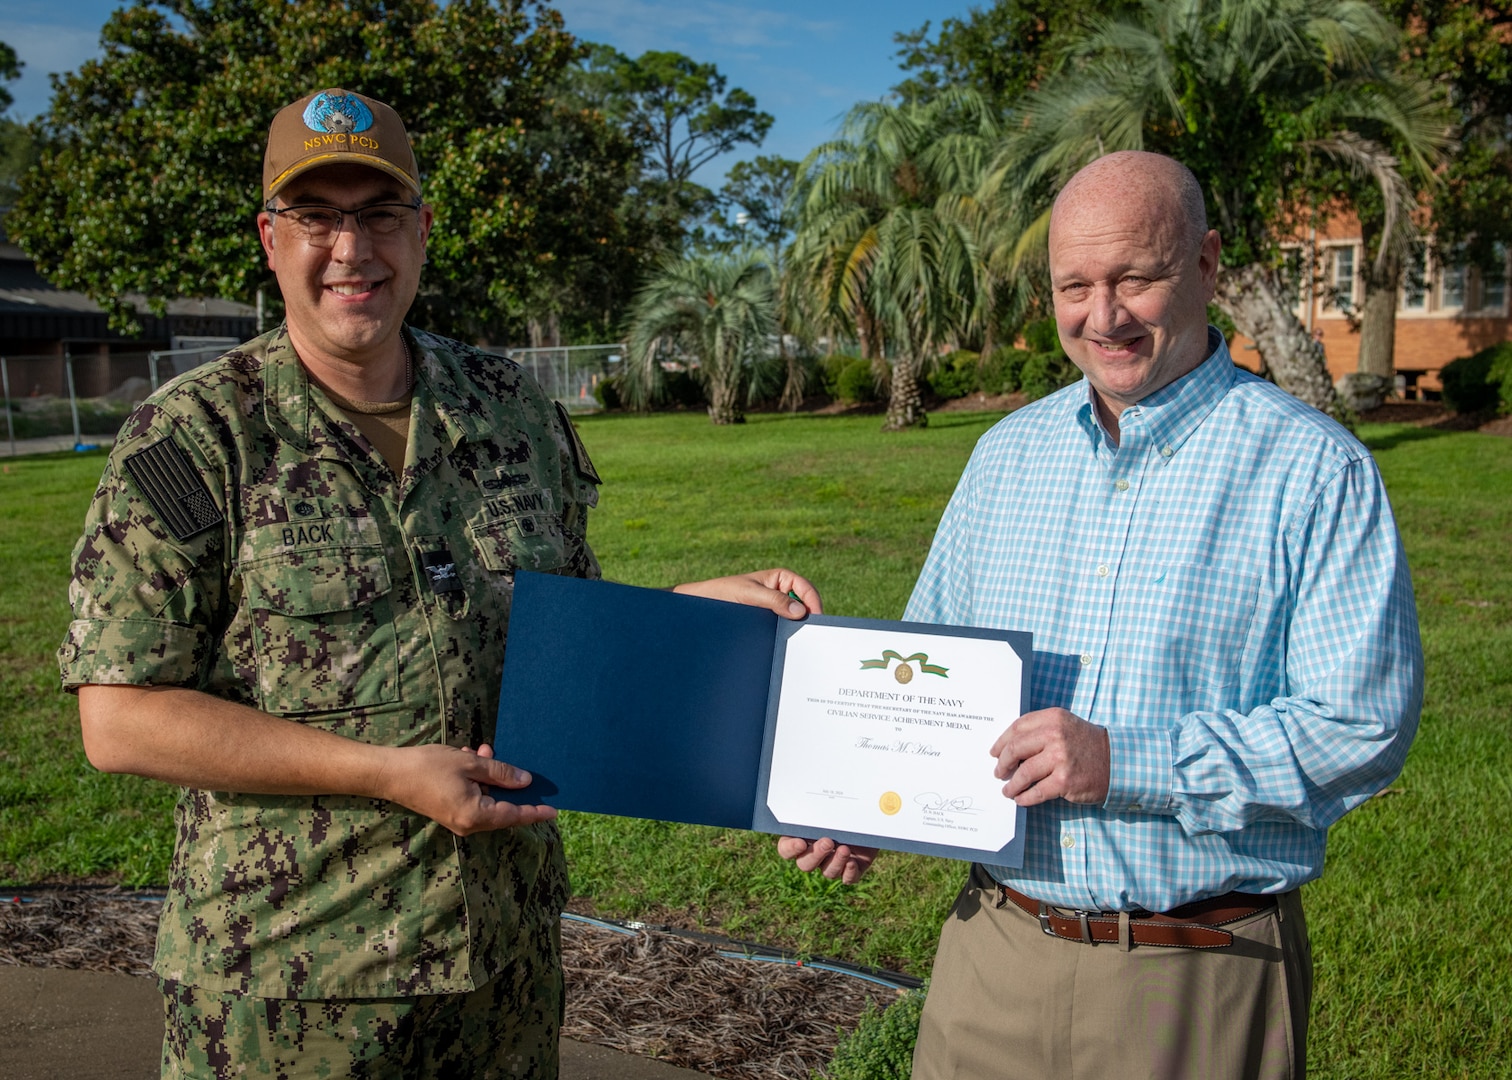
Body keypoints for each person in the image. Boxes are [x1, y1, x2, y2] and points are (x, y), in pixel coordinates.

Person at [59, 87, 819, 1080]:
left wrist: (688, 613)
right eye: (317, 216)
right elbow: (119, 719)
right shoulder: (196, 438)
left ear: (419, 231)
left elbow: (555, 641)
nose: (351, 249)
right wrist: (382, 774)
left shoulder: (510, 407)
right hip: (292, 981)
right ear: (270, 237)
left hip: (498, 967)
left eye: (379, 214)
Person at [779, 150, 1423, 1080]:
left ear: (1203, 265)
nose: (1103, 316)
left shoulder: (1312, 472)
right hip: (991, 954)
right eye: (1074, 285)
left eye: (1136, 278)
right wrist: (865, 802)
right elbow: (930, 670)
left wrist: (1124, 762)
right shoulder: (1005, 457)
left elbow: (1360, 729)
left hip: (1193, 975)